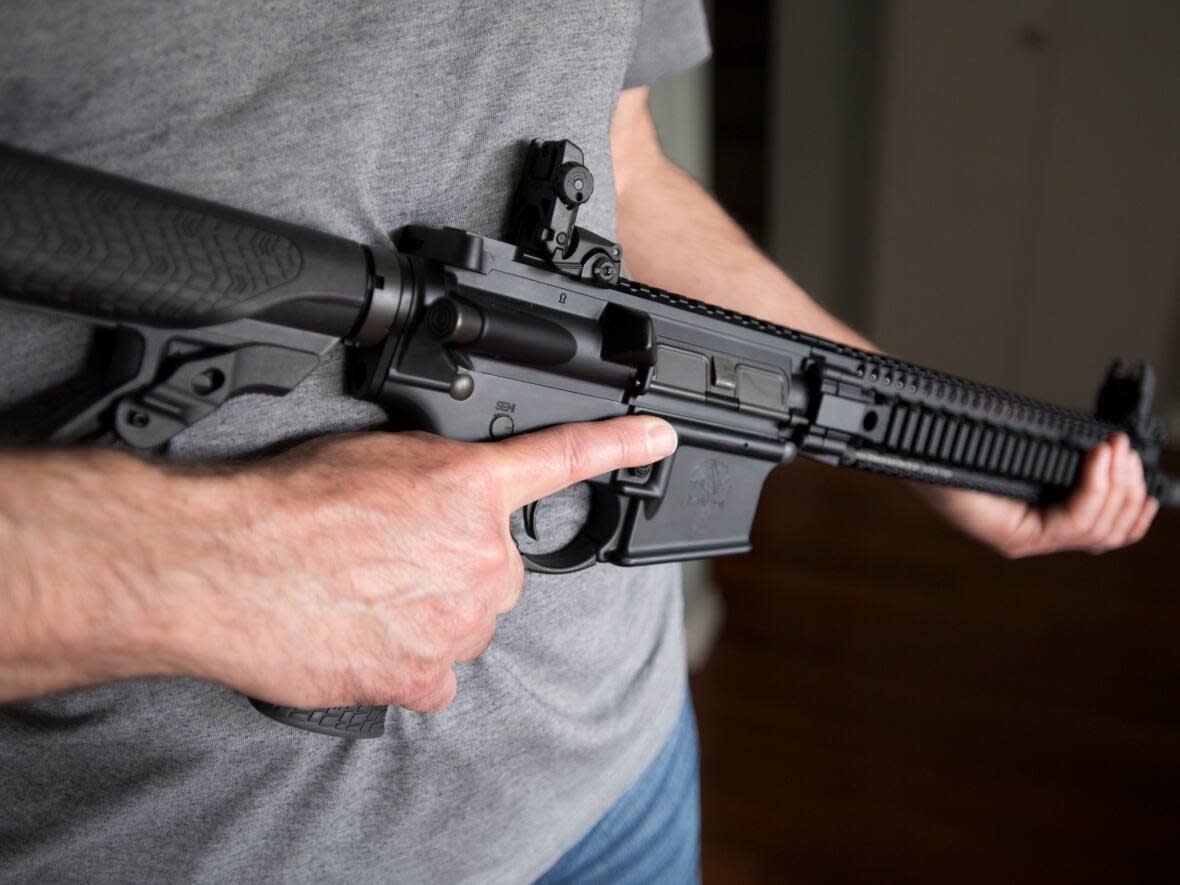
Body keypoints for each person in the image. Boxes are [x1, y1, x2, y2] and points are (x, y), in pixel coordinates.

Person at [0, 1, 1157, 882]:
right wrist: (194, 564)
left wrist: (941, 449)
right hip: (188, 844)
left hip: (617, 779)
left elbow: (625, 163)